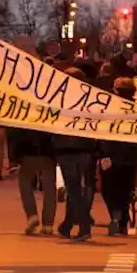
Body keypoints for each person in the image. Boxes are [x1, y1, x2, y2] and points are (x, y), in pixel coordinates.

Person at [54, 67, 101, 241]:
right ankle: (68, 224)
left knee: (74, 189)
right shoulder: (89, 99)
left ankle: (84, 226)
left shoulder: (60, 99)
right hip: (86, 148)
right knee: (83, 188)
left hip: (68, 150)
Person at [99, 77, 137, 236]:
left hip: (111, 154)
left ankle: (116, 217)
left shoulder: (109, 108)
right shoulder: (136, 109)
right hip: (129, 157)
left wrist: (103, 152)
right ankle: (120, 220)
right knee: (124, 189)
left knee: (109, 189)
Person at [8, 125, 57, 235]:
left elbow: (15, 133)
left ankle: (32, 215)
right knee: (49, 187)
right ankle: (48, 223)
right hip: (48, 151)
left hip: (28, 151)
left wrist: (14, 157)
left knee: (25, 183)